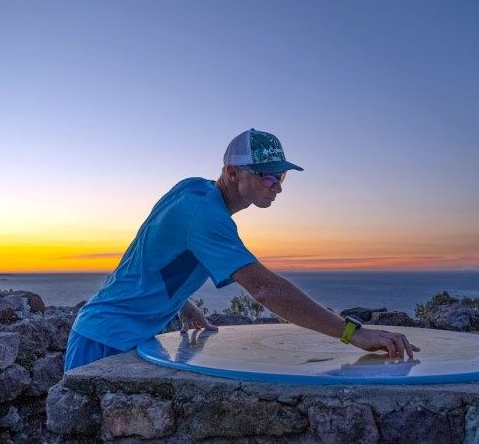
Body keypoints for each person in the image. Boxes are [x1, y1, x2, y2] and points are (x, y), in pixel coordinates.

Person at [65, 128, 419, 371]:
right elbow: (263, 288)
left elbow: (151, 253)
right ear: (233, 173)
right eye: (266, 175)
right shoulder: (206, 216)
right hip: (105, 339)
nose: (276, 186)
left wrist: (183, 305)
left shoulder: (193, 191)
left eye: (281, 176)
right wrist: (354, 333)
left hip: (119, 332)